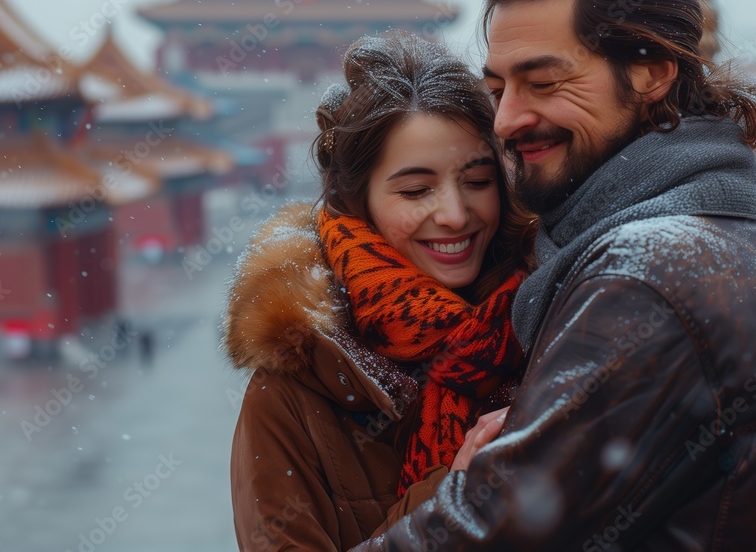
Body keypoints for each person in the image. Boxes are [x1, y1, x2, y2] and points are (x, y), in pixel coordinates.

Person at [352, 0, 756, 551]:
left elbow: (476, 537)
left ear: (653, 73)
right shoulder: (687, 239)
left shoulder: (650, 278)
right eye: (498, 88)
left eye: (543, 83)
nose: (508, 119)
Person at [222, 30, 536, 550]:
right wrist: (452, 499)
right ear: (357, 200)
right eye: (416, 190)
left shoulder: (550, 320)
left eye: (478, 182)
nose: (455, 215)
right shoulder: (290, 392)